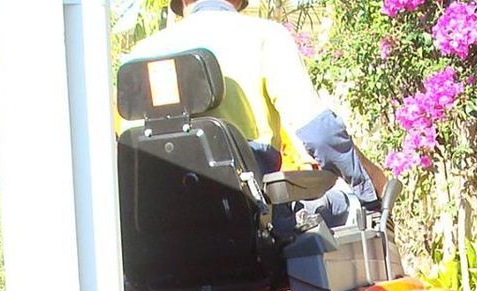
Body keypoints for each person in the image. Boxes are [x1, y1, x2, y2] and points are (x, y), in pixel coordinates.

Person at [125, 0, 383, 225]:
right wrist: (369, 184)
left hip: (159, 240)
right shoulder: (264, 37)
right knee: (348, 207)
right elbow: (321, 136)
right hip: (252, 228)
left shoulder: (138, 57)